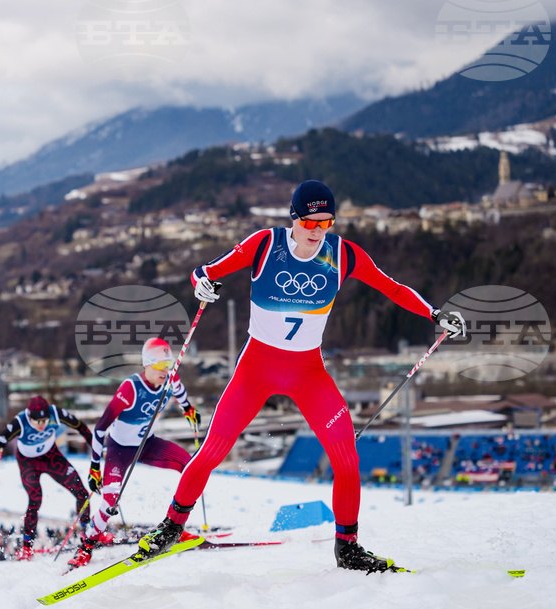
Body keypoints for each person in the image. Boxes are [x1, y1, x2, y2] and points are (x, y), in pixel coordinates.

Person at [136, 179, 465, 572]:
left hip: (308, 372)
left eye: (326, 223)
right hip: (255, 369)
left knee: (346, 458)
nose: (317, 233)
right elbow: (205, 272)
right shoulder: (264, 245)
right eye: (310, 224)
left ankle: (348, 548)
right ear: (294, 219)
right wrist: (203, 285)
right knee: (213, 451)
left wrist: (434, 314)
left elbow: (392, 288)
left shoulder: (344, 255)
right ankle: (170, 528)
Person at [68, 338, 201, 569]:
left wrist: (188, 408)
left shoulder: (170, 379)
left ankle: (175, 527)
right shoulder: (131, 389)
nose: (165, 370)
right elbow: (100, 428)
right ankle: (86, 547)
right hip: (119, 450)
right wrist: (94, 468)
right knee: (110, 500)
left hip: (148, 445)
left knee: (190, 467)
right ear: (147, 364)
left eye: (168, 365)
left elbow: (180, 391)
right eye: (160, 365)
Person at [0, 396, 94, 561]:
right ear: (29, 416)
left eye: (45, 420)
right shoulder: (20, 421)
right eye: (37, 422)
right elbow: (2, 438)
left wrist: (95, 443)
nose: (42, 425)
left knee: (82, 493)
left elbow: (79, 426)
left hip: (51, 457)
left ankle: (87, 532)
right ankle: (27, 547)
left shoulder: (56, 413)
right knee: (35, 499)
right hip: (28, 462)